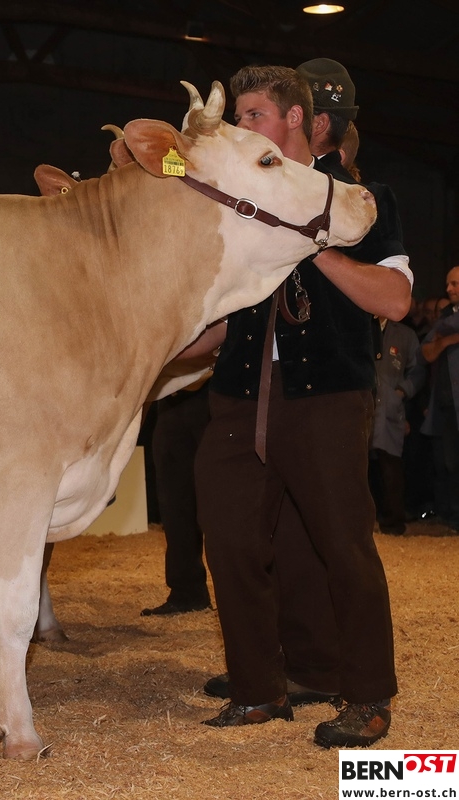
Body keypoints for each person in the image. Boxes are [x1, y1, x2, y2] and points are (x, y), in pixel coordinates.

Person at [194, 60, 411, 749]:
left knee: (342, 546)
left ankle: (367, 695)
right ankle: (259, 689)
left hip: (326, 398)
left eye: (253, 115)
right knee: (230, 540)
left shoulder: (361, 200)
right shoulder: (234, 202)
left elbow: (394, 300)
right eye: (239, 117)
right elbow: (225, 318)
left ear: (295, 118)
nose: (241, 127)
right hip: (237, 396)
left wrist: (311, 241)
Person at [141, 376, 212, 615]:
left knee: (219, 507)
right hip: (170, 397)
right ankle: (187, 592)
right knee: (174, 504)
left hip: (213, 393)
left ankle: (236, 595)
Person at [369, 316, 426, 534]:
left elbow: (418, 370)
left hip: (390, 409)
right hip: (362, 406)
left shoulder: (405, 334)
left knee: (391, 466)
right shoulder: (361, 325)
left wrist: (402, 392)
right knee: (359, 466)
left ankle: (393, 521)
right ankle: (363, 520)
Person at [419, 265, 459, 530]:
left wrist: (444, 336)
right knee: (449, 463)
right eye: (447, 284)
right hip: (447, 402)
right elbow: (426, 353)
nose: (448, 289)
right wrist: (446, 341)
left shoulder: (445, 321)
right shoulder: (445, 316)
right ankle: (452, 517)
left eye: (454, 284)